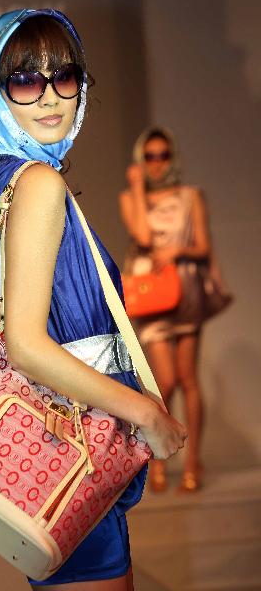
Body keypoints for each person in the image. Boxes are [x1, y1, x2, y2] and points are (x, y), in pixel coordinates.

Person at [0, 11, 187, 591]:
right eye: (25, 81)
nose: (50, 97)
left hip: (60, 440)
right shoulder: (39, 184)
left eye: (65, 76)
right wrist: (145, 411)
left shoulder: (6, 178)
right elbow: (25, 345)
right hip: (73, 444)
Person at [119, 127, 211, 494]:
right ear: (142, 160)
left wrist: (177, 252)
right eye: (150, 156)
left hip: (185, 289)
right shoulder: (131, 197)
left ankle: (193, 461)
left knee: (189, 379)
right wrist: (139, 187)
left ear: (173, 157)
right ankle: (158, 454)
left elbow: (202, 246)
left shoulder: (190, 197)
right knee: (166, 380)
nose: (157, 163)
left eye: (164, 156)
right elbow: (142, 236)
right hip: (153, 293)